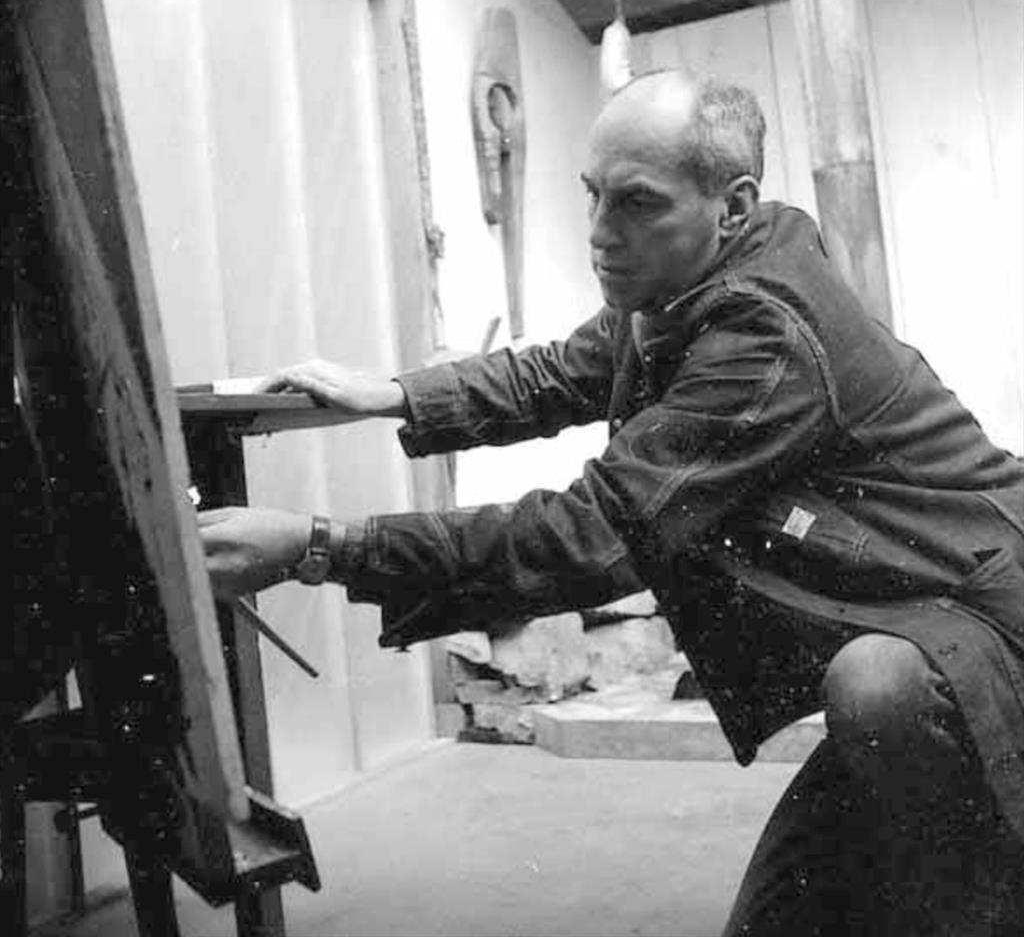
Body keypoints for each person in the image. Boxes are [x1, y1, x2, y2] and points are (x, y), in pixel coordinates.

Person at [200, 70, 1024, 935]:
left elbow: (590, 535)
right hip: (933, 616)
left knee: (878, 689)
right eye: (592, 195)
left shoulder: (763, 336)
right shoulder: (689, 283)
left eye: (635, 203)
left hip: (992, 625)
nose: (600, 234)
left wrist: (317, 546)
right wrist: (396, 394)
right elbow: (563, 369)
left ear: (732, 206)